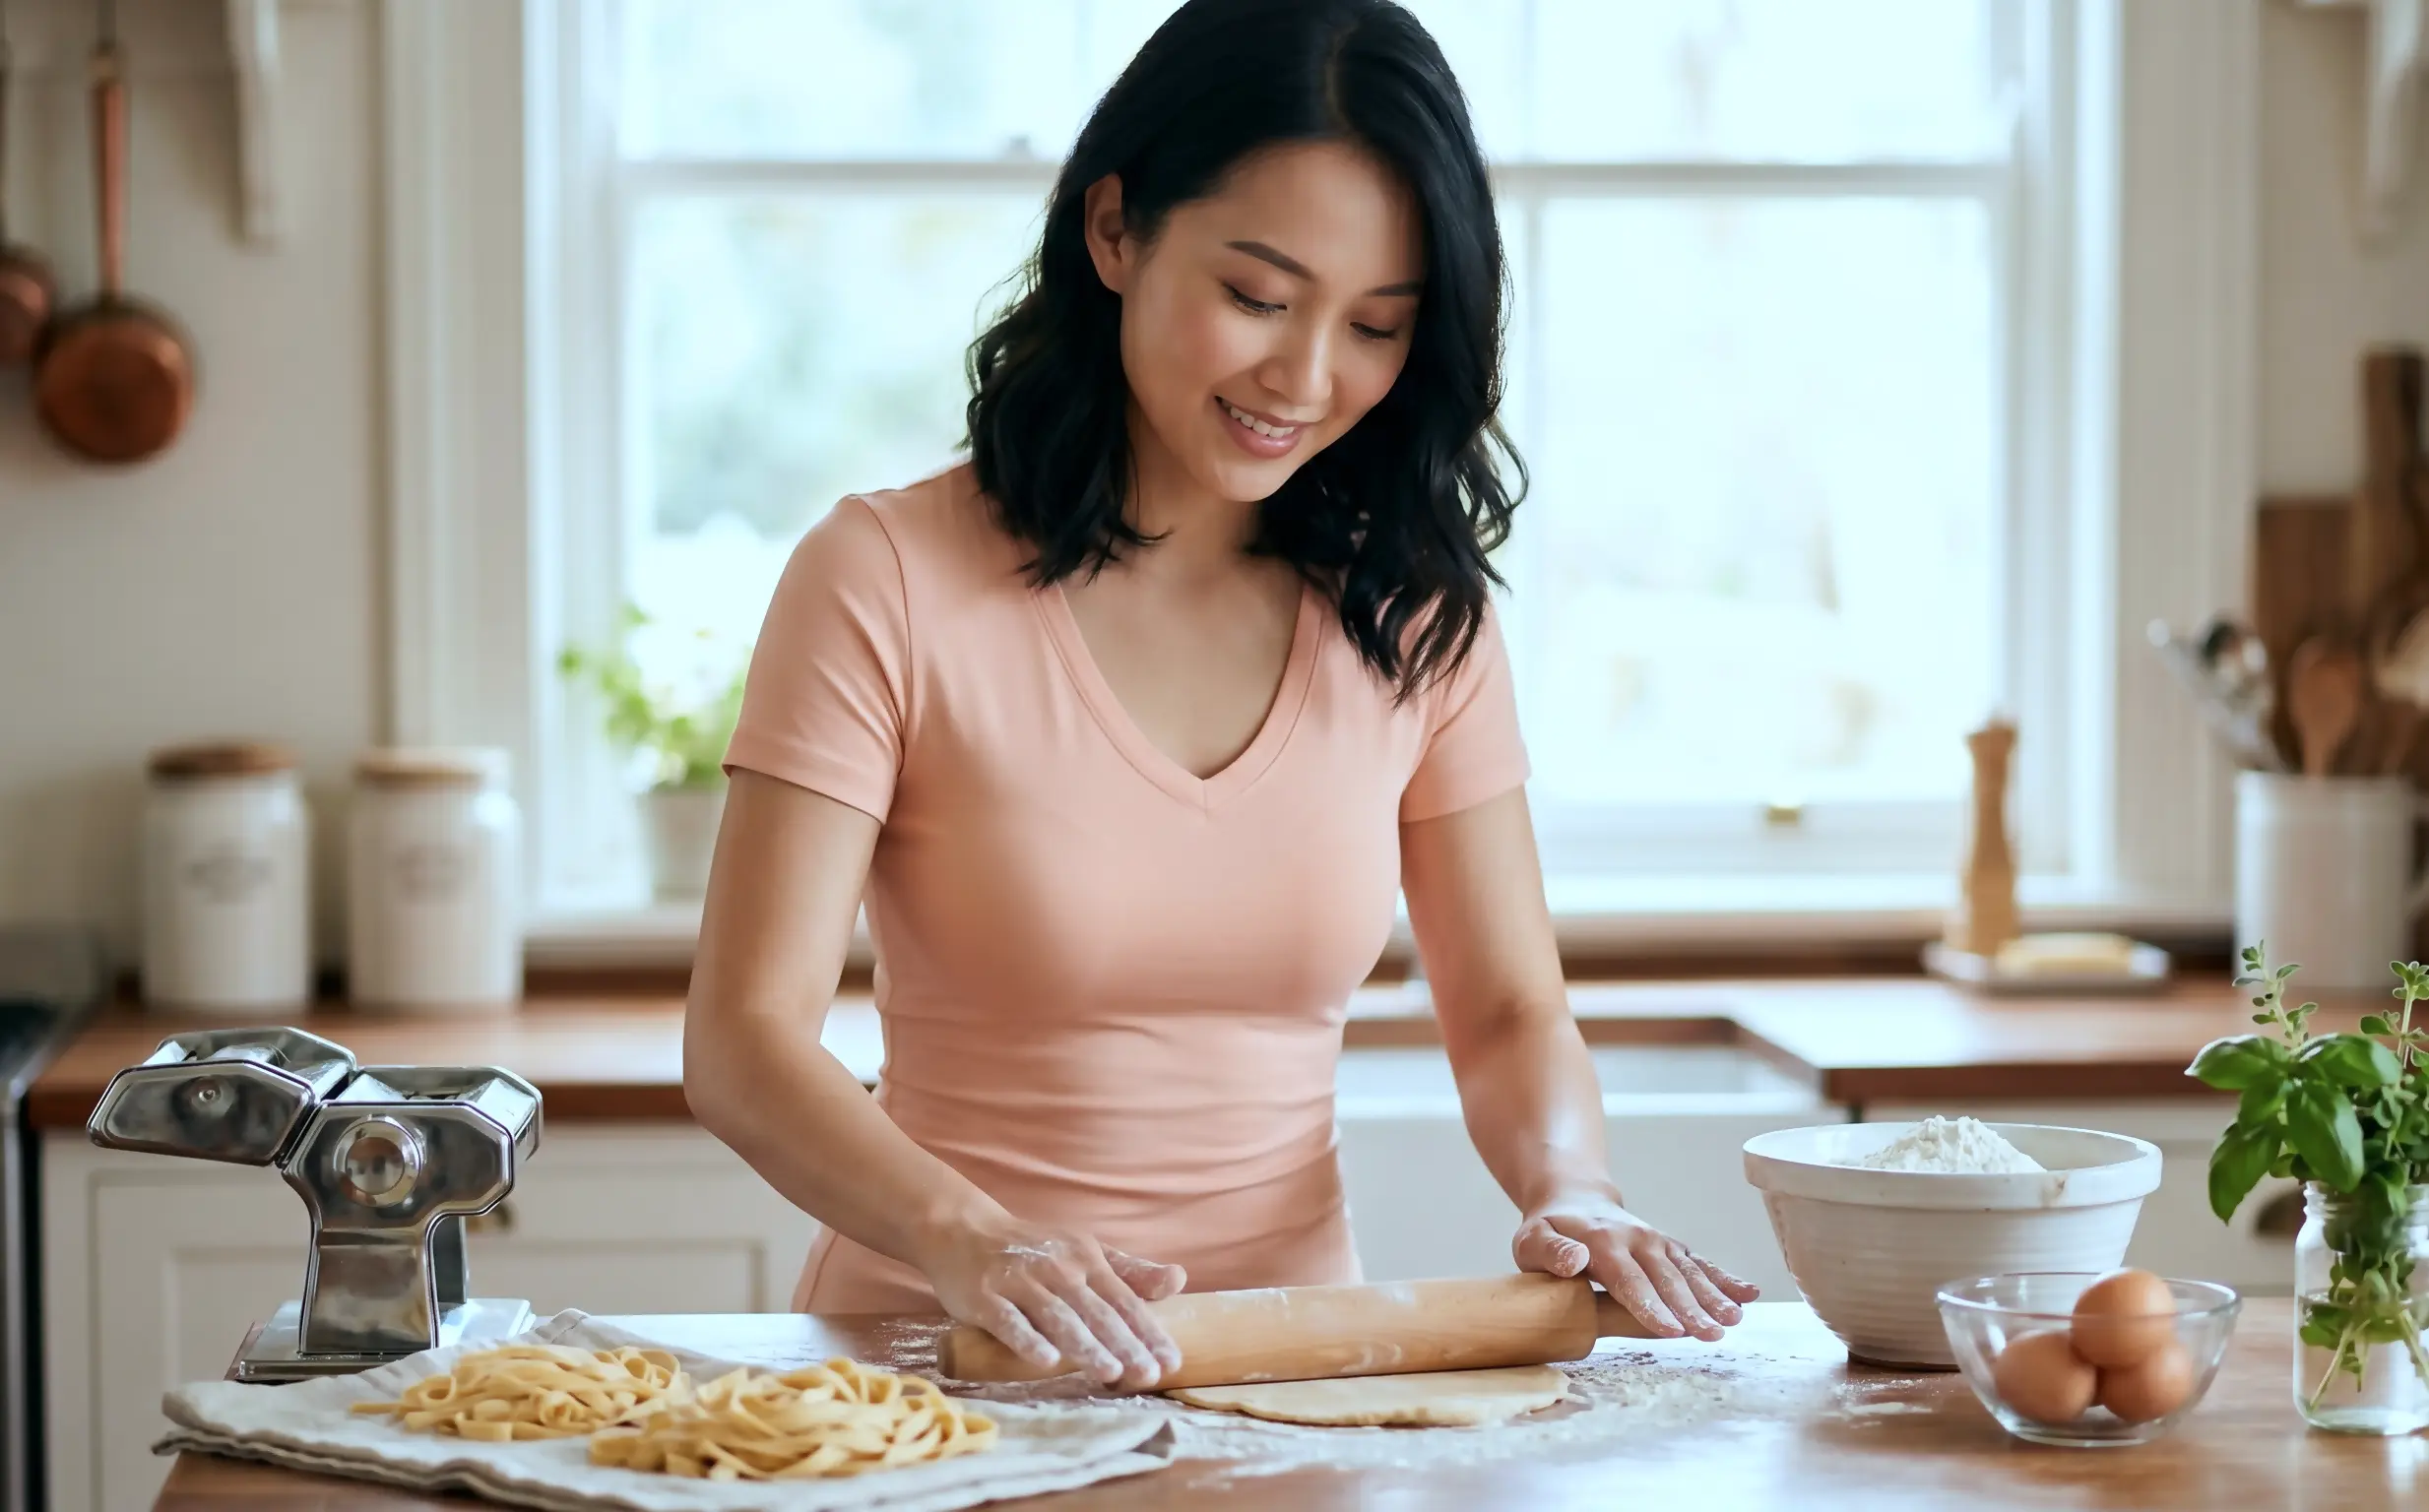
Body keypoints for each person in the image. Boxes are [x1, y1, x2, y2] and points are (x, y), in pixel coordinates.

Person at [685, 0, 1758, 1390]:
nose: (1303, 379)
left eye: (1375, 327)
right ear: (1115, 229)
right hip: (934, 1354)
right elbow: (744, 1043)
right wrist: (979, 1244)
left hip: (1299, 1373)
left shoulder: (1415, 615)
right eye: (1256, 297)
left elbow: (1504, 1011)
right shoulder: (883, 576)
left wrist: (1574, 1187)